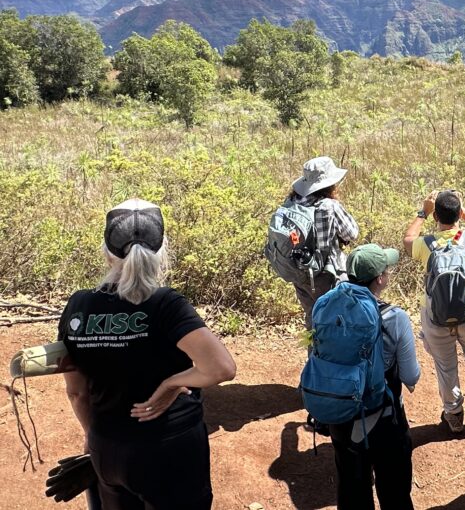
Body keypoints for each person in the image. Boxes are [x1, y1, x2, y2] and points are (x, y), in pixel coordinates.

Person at [58, 199, 237, 510]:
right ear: (162, 249)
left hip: (107, 449)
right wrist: (170, 384)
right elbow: (221, 368)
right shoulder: (166, 304)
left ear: (107, 250)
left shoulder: (78, 305)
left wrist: (98, 439)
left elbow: (76, 393)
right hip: (169, 450)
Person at [330, 244, 421, 510]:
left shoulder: (327, 308)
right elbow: (410, 376)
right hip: (384, 419)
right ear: (380, 278)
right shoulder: (395, 317)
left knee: (352, 491)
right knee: (395, 493)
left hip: (340, 414)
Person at [403, 189, 465, 432]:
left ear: (436, 216)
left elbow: (407, 240)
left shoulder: (426, 245)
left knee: (445, 366)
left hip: (436, 315)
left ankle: (454, 415)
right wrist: (463, 209)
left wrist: (423, 212)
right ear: (458, 213)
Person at [273, 156, 359, 328]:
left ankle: (315, 354)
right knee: (340, 320)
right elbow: (352, 233)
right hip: (329, 273)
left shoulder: (291, 203)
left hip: (299, 271)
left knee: (314, 319)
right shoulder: (328, 206)